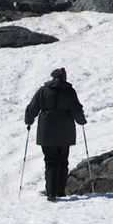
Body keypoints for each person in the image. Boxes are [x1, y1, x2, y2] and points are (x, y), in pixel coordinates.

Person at [24, 68, 86, 201]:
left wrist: (29, 121)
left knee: (50, 162)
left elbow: (32, 108)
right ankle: (60, 191)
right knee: (63, 162)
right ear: (64, 77)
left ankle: (51, 193)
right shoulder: (69, 91)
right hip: (65, 131)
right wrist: (82, 121)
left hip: (46, 131)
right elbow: (76, 109)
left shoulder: (43, 90)